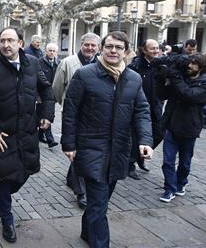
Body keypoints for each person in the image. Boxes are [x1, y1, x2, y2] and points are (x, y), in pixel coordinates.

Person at [61, 31, 153, 248]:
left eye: (118, 47)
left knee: (99, 202)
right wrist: (69, 144)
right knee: (99, 203)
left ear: (126, 51)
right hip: (91, 147)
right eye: (109, 46)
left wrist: (145, 140)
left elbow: (142, 111)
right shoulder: (85, 74)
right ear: (102, 48)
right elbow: (70, 111)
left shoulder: (133, 78)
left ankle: (86, 231)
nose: (113, 51)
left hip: (119, 150)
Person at [0, 26, 54, 243]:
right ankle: (6, 219)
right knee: (2, 178)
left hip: (27, 133)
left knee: (21, 175)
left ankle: (5, 200)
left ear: (21, 43)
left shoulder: (33, 63)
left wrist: (47, 114)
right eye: (2, 41)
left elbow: (46, 90)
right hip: (2, 136)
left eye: (10, 40)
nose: (6, 45)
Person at [52, 32, 100, 210]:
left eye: (93, 46)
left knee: (82, 151)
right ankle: (81, 192)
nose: (89, 48)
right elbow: (56, 87)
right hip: (73, 114)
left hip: (94, 116)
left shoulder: (101, 64)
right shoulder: (68, 63)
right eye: (87, 45)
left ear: (98, 47)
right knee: (76, 149)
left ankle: (71, 177)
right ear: (81, 45)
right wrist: (64, 104)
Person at [158, 54, 206, 202]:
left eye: (194, 64)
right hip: (171, 126)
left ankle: (181, 183)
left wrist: (174, 77)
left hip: (189, 129)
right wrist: (160, 77)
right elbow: (162, 94)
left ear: (201, 67)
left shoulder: (205, 84)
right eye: (189, 63)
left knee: (185, 162)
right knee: (168, 161)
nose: (189, 66)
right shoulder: (181, 78)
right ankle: (169, 189)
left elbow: (188, 94)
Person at [127, 39, 164, 180]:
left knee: (159, 133)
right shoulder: (135, 67)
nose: (156, 51)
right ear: (144, 50)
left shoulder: (160, 66)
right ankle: (130, 164)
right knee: (136, 136)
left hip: (156, 107)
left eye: (157, 48)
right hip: (139, 108)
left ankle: (141, 154)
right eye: (152, 48)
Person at [38, 43, 59, 148]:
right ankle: (50, 140)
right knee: (46, 115)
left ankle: (40, 135)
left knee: (44, 115)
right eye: (50, 50)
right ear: (46, 51)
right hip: (41, 94)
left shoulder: (58, 63)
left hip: (52, 95)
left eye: (54, 51)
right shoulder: (39, 62)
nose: (52, 52)